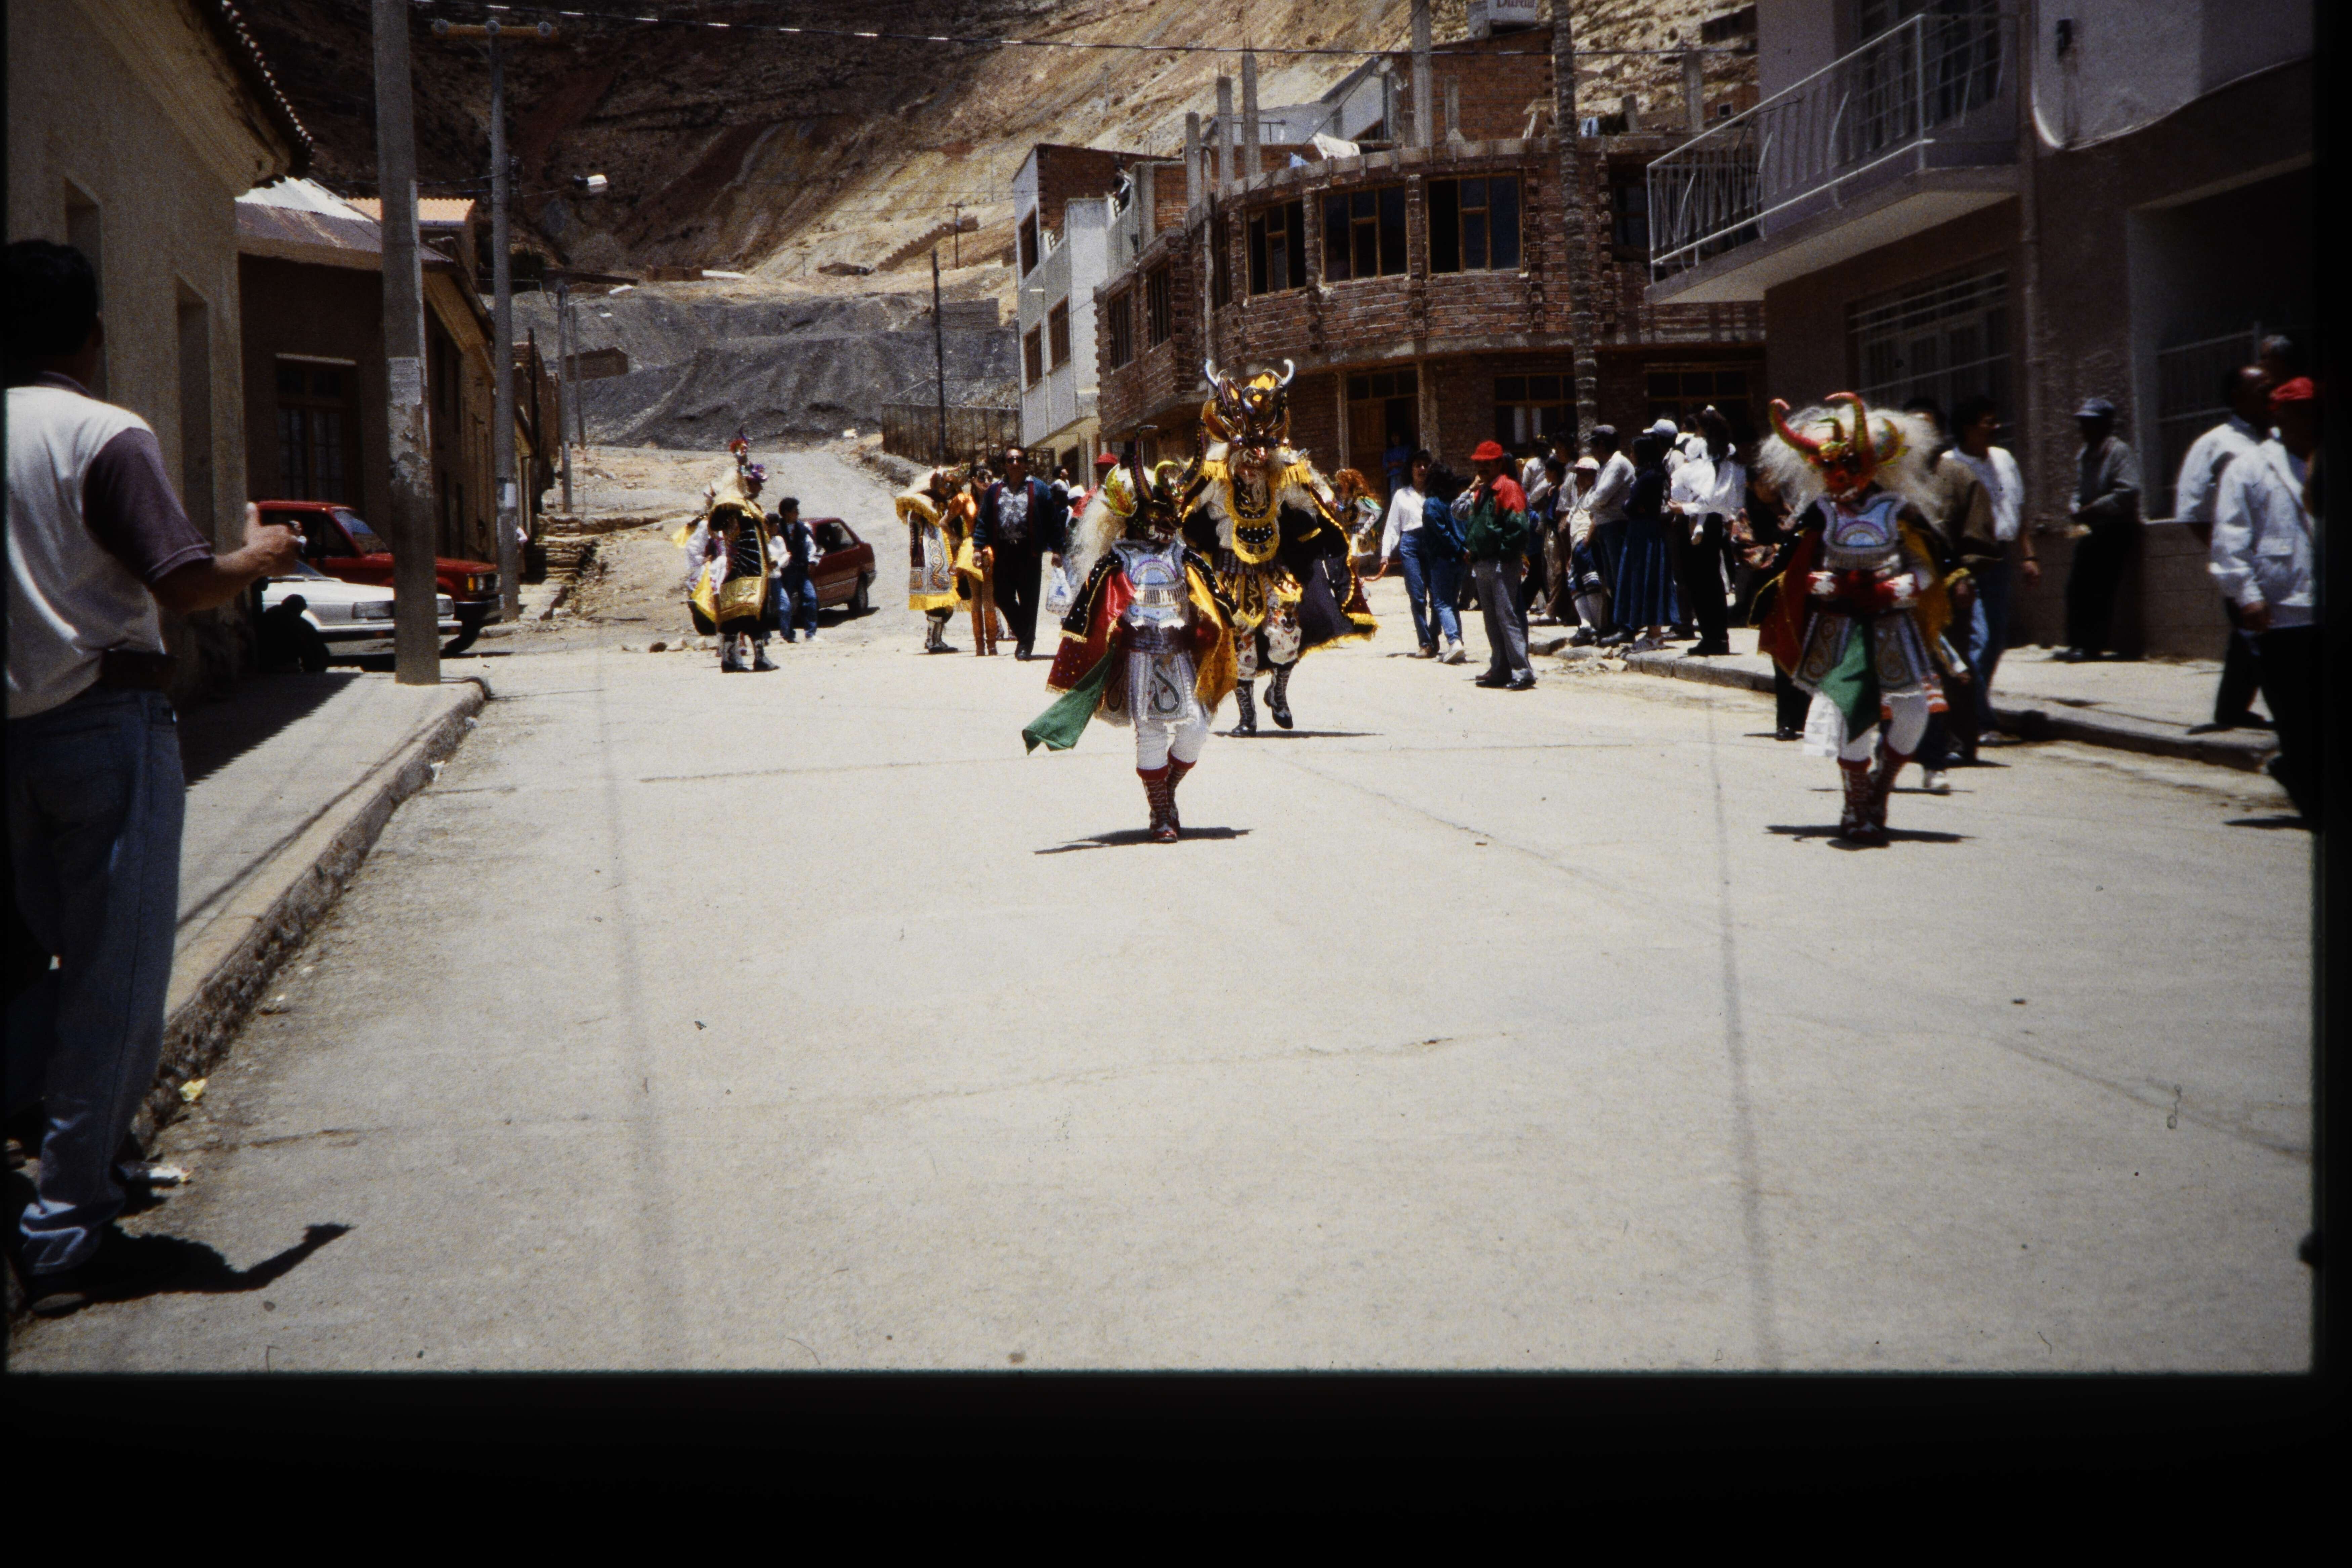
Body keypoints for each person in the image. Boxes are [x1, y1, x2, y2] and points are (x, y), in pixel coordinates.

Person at [6, 239, 304, 1316]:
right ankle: (65, 1231)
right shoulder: (102, 433)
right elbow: (181, 584)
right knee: (115, 982)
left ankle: (90, 1156)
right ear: (93, 334)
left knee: (38, 965)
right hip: (103, 721)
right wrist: (256, 558)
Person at [1755, 393, 1957, 844]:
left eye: (1848, 464)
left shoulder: (1898, 510)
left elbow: (1928, 566)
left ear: (1871, 464)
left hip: (1894, 624)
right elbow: (1797, 573)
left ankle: (1881, 786)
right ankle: (1855, 804)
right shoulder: (1819, 514)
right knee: (1854, 712)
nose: (1839, 475)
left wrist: (1893, 588)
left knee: (1914, 712)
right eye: (1829, 466)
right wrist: (1832, 584)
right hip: (1842, 626)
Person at [1023, 451, 1237, 842]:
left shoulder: (1182, 554)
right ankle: (1161, 812)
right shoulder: (1118, 558)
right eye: (1157, 515)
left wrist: (1222, 624)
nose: (1165, 523)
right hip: (1140, 656)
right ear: (1135, 518)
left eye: (1169, 515)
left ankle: (1167, 790)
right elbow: (1091, 610)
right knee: (1152, 730)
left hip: (1181, 656)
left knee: (1195, 727)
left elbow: (1215, 598)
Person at [1187, 360, 1377, 732]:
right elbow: (1186, 509)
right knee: (1240, 645)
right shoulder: (1215, 479)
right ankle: (1247, 717)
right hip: (1230, 574)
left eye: (1259, 454)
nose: (1251, 464)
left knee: (1286, 636)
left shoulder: (1282, 478)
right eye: (1244, 454)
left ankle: (1278, 692)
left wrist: (1338, 511)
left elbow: (1315, 506)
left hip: (1275, 571)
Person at [2209, 377, 2321, 825]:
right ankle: (2314, 803)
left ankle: (2300, 775)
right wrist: (2246, 595)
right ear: (2281, 414)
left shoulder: (2327, 463)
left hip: (2326, 607)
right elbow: (2230, 537)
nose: (2313, 420)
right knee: (2295, 717)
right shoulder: (2249, 467)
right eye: (2303, 411)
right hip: (2279, 613)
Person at [2175, 366, 2274, 733]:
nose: (2271, 397)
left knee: (2249, 638)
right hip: (2242, 560)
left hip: (2280, 559)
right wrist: (2227, 554)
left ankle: (2231, 709)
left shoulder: (2280, 439)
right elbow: (2192, 511)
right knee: (2260, 638)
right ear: (2236, 396)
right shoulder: (2216, 444)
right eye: (2262, 391)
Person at [1945, 394, 2034, 749]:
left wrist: (2029, 555)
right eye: (1988, 422)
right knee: (1977, 640)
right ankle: (1979, 720)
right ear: (1968, 428)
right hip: (1965, 560)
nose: (1995, 427)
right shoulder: (1950, 465)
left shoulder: (2003, 460)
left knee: (1995, 640)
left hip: (1999, 558)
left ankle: (1967, 711)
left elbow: (2017, 508)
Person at [2058, 396, 2140, 661]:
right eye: (2082, 423)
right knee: (2077, 585)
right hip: (2090, 526)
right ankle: (2077, 642)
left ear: (2105, 424)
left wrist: (2095, 508)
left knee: (2099, 587)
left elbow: (2128, 491)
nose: (2084, 429)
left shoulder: (2118, 451)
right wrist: (2075, 506)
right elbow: (2079, 489)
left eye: (2090, 423)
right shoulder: (2085, 454)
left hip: (2114, 527)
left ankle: (2092, 645)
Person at [1735, 466, 1811, 739]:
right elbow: (1748, 552)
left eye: (1774, 479)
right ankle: (1786, 721)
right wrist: (1783, 550)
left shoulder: (1793, 510)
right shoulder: (1746, 517)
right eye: (1764, 481)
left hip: (1805, 590)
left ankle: (1806, 719)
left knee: (1808, 652)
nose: (1771, 485)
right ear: (1751, 485)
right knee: (1782, 655)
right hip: (1774, 594)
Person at [974, 445, 1069, 661]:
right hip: (1003, 551)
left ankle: (1025, 645)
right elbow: (983, 520)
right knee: (1001, 596)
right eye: (1011, 460)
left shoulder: (1040, 488)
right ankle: (1025, 632)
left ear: (1026, 464)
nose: (1015, 463)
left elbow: (1053, 521)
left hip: (1029, 551)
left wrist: (1057, 549)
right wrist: (978, 548)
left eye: (1019, 460)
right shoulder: (995, 490)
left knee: (1029, 600)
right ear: (1005, 465)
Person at [1373, 448, 1465, 662]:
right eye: (1418, 466)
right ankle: (1425, 642)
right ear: (1411, 470)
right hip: (1410, 545)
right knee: (1417, 596)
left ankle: (1434, 635)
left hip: (1433, 544)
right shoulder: (1401, 495)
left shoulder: (1436, 495)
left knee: (1437, 595)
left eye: (1426, 465)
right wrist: (1386, 554)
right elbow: (1393, 526)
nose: (1422, 469)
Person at [1667, 407, 1744, 656]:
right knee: (1699, 580)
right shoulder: (1710, 455)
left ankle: (1716, 637)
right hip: (1698, 517)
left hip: (1706, 519)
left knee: (1705, 580)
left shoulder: (1721, 459)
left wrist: (1685, 508)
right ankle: (1712, 635)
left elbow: (1714, 498)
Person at [1460, 439, 1536, 689]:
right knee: (1492, 620)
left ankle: (1522, 671)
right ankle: (1501, 668)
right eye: (1479, 464)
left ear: (1499, 464)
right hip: (1483, 563)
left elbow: (1518, 527)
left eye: (1487, 464)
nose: (1482, 468)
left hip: (1502, 563)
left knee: (1507, 617)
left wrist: (1504, 553)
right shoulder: (1483, 491)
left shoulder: (1509, 488)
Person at [1612, 433, 1680, 650]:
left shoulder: (1649, 478)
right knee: (1646, 580)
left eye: (1633, 452)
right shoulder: (1651, 475)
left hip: (1645, 534)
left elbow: (1630, 506)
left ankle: (1655, 635)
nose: (1631, 456)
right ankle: (1652, 634)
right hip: (1643, 531)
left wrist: (1630, 506)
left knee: (1650, 580)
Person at [899, 466, 975, 654]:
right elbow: (919, 534)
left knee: (951, 598)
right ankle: (933, 640)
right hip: (932, 558)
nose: (950, 490)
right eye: (947, 485)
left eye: (952, 487)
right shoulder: (922, 505)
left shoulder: (946, 506)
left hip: (947, 557)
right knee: (938, 600)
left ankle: (936, 638)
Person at [1585, 426, 1635, 645]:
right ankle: (1616, 624)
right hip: (1606, 526)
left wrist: (1592, 503)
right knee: (1611, 580)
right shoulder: (1606, 466)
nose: (1593, 450)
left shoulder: (1618, 464)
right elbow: (1595, 497)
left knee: (1620, 578)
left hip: (1617, 525)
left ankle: (1627, 627)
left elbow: (1601, 497)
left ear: (1603, 444)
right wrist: (1593, 503)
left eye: (1594, 445)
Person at [769, 496, 819, 645]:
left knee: (811, 598)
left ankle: (811, 634)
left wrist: (812, 562)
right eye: (795, 511)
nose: (798, 513)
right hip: (785, 573)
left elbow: (813, 547)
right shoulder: (777, 529)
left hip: (802, 571)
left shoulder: (803, 528)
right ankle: (788, 635)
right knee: (787, 604)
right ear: (786, 513)